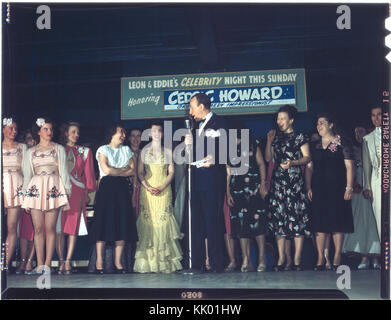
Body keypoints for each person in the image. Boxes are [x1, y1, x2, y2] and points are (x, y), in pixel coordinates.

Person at [184, 92, 228, 272]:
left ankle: (217, 263)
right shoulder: (194, 127)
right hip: (196, 180)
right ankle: (199, 262)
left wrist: (215, 158)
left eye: (192, 106)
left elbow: (227, 148)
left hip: (211, 181)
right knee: (198, 222)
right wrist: (189, 144)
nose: (190, 111)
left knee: (212, 221)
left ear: (201, 106)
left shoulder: (220, 123)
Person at [22, 118, 71, 274]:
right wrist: (25, 198)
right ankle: (40, 264)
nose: (49, 132)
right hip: (35, 190)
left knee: (50, 228)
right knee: (38, 229)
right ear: (38, 132)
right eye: (45, 129)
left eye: (50, 129)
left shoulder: (59, 149)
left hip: (53, 189)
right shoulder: (30, 152)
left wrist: (66, 193)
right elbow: (27, 175)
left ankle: (48, 264)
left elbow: (64, 172)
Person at [305, 114, 354, 271]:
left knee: (336, 221)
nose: (319, 126)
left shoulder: (342, 142)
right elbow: (309, 167)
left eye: (322, 123)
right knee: (319, 223)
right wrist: (308, 187)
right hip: (319, 187)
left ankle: (337, 255)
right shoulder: (314, 144)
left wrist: (349, 187)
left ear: (331, 125)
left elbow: (349, 167)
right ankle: (320, 257)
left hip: (337, 188)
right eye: (317, 123)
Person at [265, 105, 311, 272]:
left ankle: (297, 258)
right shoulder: (276, 138)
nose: (279, 121)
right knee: (279, 221)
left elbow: (307, 158)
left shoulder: (300, 136)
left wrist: (293, 162)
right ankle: (282, 258)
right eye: (278, 119)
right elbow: (268, 158)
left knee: (296, 220)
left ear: (291, 120)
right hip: (279, 183)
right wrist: (269, 141)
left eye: (283, 118)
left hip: (294, 182)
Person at [133, 121, 183, 273]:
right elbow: (140, 172)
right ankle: (149, 264)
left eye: (159, 130)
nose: (156, 133)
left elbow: (172, 172)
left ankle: (164, 263)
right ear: (149, 133)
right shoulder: (143, 151)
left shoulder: (168, 151)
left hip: (164, 190)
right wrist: (147, 186)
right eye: (153, 130)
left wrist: (162, 186)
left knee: (164, 223)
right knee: (149, 224)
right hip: (147, 191)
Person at [89, 124, 138, 274]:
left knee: (121, 222)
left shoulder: (126, 150)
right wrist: (122, 169)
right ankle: (99, 263)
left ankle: (118, 263)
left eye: (124, 131)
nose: (124, 134)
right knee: (103, 222)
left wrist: (117, 171)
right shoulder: (103, 149)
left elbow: (132, 170)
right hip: (106, 188)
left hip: (122, 188)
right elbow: (106, 170)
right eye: (121, 132)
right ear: (112, 133)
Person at [226, 123, 268, 272]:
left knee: (257, 223)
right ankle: (246, 259)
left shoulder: (252, 144)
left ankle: (262, 258)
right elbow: (228, 172)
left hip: (253, 188)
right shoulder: (228, 148)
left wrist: (263, 184)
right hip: (237, 189)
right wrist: (228, 192)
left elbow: (262, 164)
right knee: (241, 225)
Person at [56, 122, 97, 275]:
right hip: (58, 191)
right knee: (59, 229)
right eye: (73, 132)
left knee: (72, 228)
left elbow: (88, 175)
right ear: (66, 133)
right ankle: (60, 261)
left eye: (78, 132)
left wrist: (87, 192)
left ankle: (67, 261)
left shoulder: (84, 151)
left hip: (78, 191)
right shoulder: (57, 149)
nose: (76, 135)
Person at [342, 126, 381, 269]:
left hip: (372, 189)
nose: (358, 135)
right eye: (356, 132)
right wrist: (354, 184)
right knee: (361, 224)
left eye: (361, 132)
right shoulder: (351, 150)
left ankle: (375, 257)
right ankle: (364, 257)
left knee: (373, 223)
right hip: (358, 193)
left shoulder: (373, 146)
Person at [2, 117, 27, 273]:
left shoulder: (22, 147)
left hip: (16, 186)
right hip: (2, 185)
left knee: (12, 227)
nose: (14, 131)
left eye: (15, 129)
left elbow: (26, 170)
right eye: (10, 128)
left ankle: (3, 263)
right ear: (3, 129)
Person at [362, 107, 382, 266]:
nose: (376, 118)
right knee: (380, 216)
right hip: (377, 179)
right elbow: (366, 164)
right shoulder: (367, 138)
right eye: (373, 115)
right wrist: (367, 186)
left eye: (379, 115)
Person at [15, 129, 36, 274]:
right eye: (28, 139)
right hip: (23, 194)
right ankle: (22, 261)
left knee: (36, 231)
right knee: (24, 231)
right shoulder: (22, 155)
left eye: (33, 139)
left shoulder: (39, 154)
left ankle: (29, 261)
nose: (32, 142)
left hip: (37, 193)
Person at [128, 128, 142, 217]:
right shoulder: (124, 152)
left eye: (138, 136)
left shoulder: (145, 153)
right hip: (128, 187)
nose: (135, 139)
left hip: (142, 188)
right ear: (129, 138)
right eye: (133, 136)